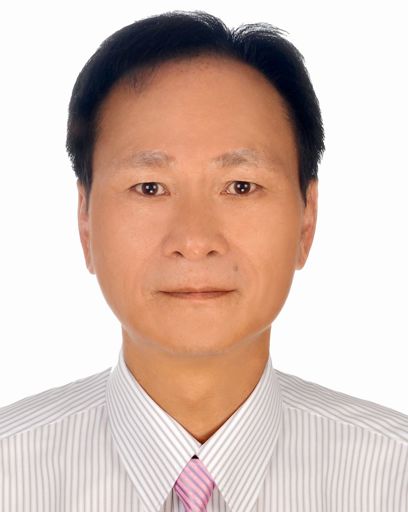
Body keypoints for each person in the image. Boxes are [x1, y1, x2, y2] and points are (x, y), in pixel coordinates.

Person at [0, 9, 407, 512]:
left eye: (241, 186)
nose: (194, 240)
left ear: (307, 219)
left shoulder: (395, 480)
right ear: (85, 219)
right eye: (150, 187)